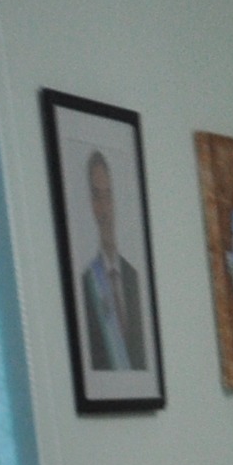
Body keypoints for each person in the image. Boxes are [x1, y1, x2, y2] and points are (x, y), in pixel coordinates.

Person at [77, 148, 147, 374]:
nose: (104, 209)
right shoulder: (86, 283)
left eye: (108, 196)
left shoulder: (135, 278)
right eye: (97, 196)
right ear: (89, 202)